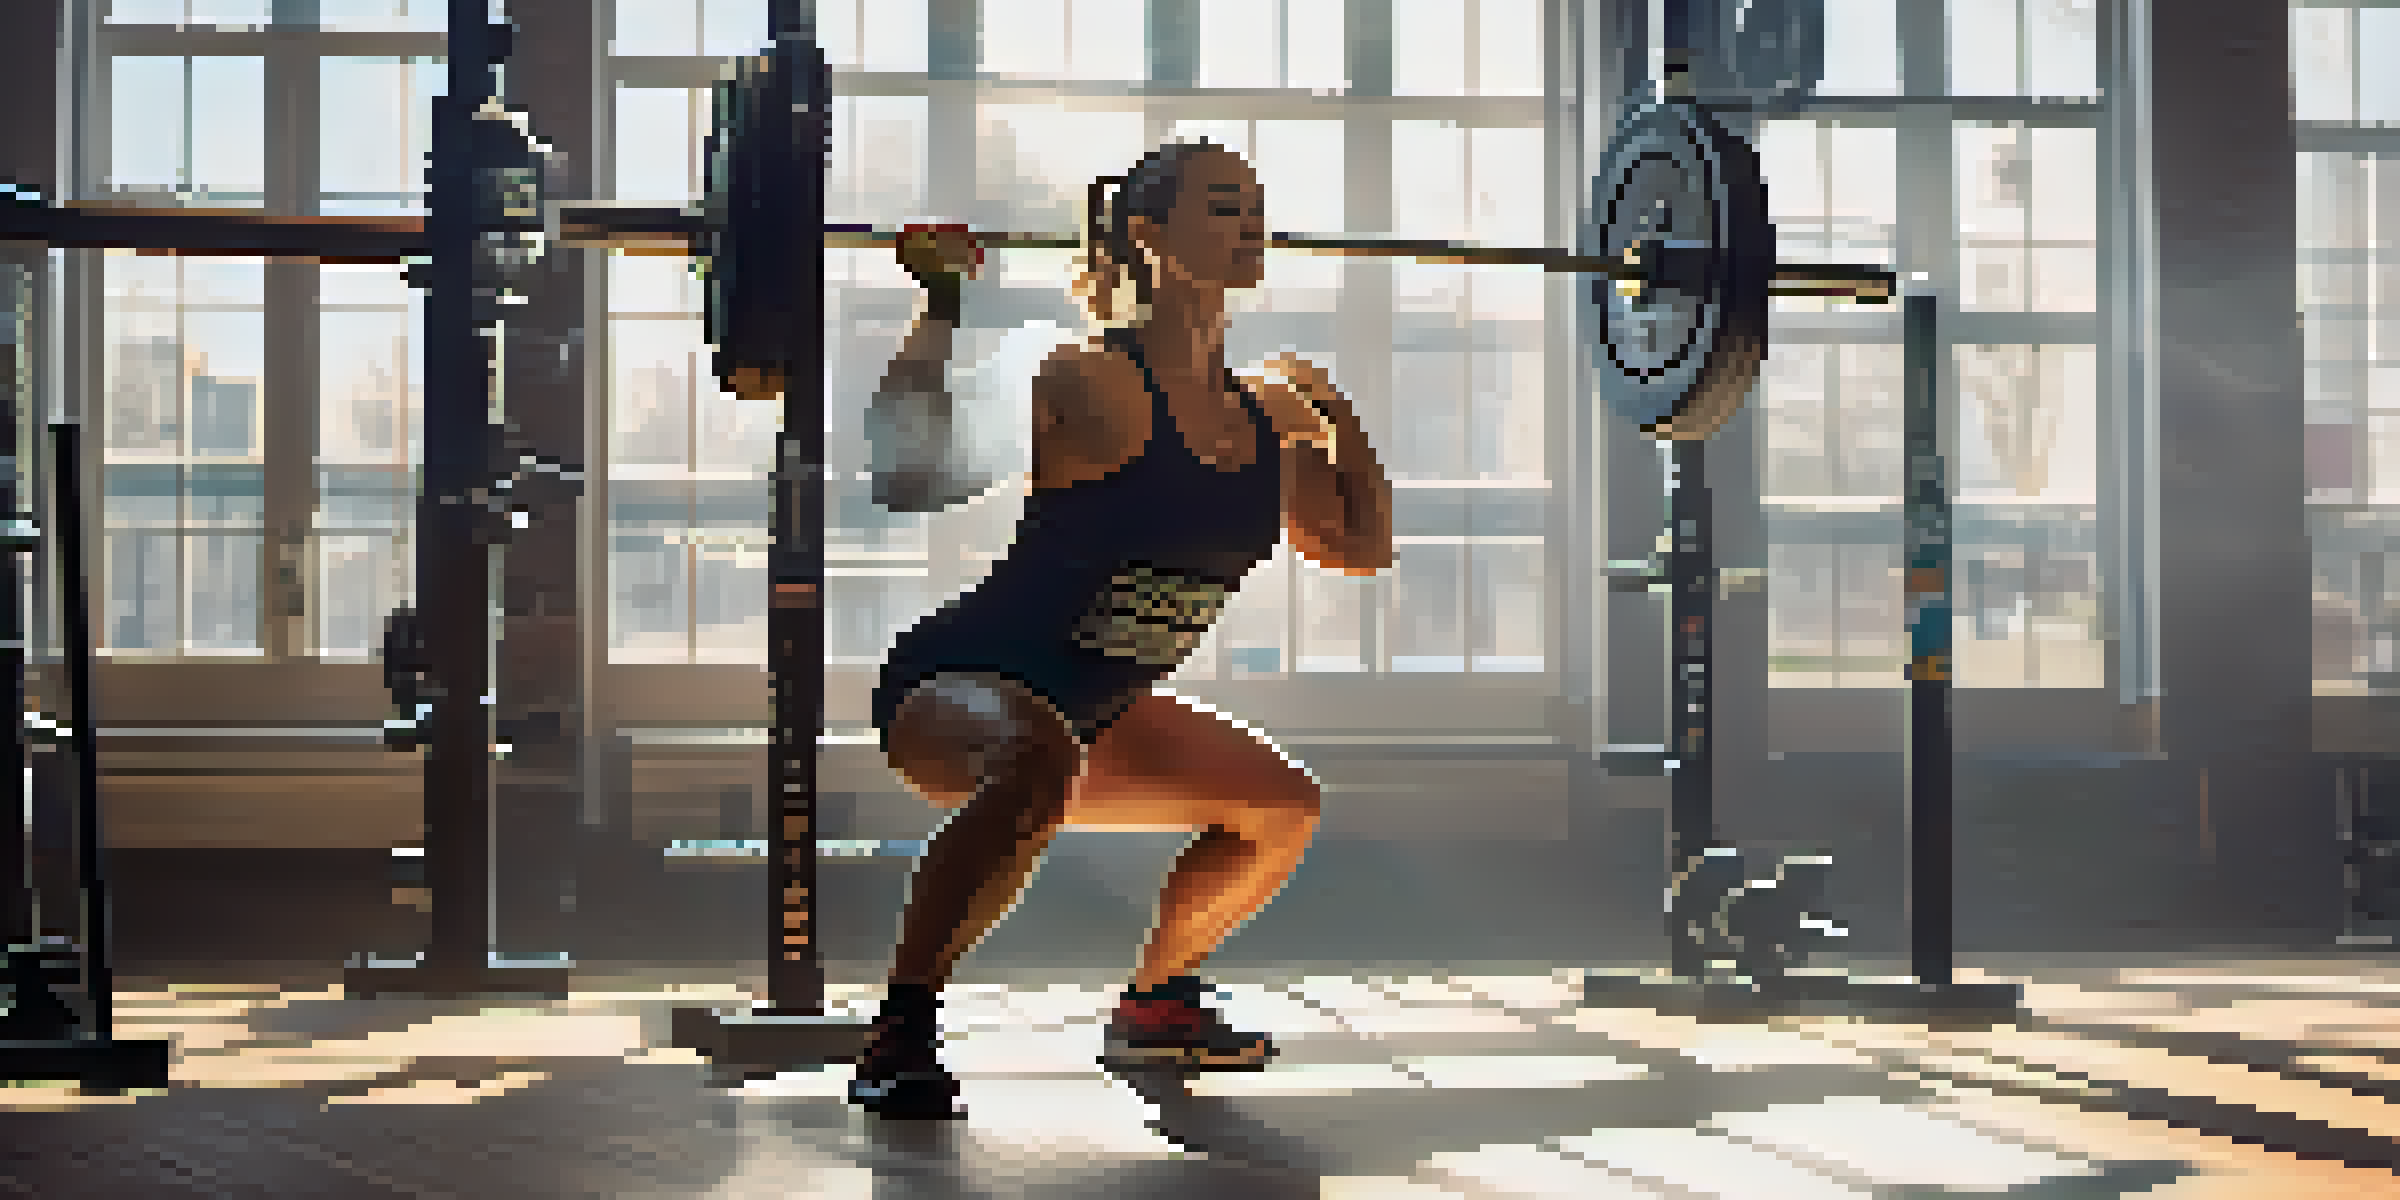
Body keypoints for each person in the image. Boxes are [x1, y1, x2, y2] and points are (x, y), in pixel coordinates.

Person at [847, 139, 1394, 1120]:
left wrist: (1340, 416)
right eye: (1224, 204)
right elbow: (904, 472)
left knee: (1282, 807)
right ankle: (899, 1030)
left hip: (1092, 713)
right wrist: (939, 305)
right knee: (1034, 757)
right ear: (1148, 234)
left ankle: (1157, 1003)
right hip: (959, 683)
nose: (1251, 222)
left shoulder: (1265, 417)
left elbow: (1358, 543)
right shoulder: (1090, 381)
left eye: (1258, 204)